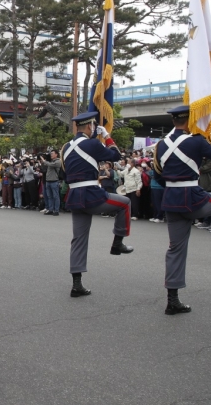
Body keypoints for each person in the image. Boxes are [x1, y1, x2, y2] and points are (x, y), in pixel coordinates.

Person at [153, 105, 211, 315]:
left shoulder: (161, 145)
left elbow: (157, 176)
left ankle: (172, 300)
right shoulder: (197, 140)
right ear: (191, 121)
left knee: (175, 249)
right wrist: (208, 130)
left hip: (171, 200)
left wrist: (173, 189)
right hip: (192, 198)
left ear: (174, 121)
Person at [61, 111, 134, 298]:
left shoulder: (65, 147)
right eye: (93, 126)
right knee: (124, 203)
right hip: (91, 194)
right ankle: (118, 243)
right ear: (89, 127)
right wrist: (107, 136)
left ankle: (76, 284)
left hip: (75, 195)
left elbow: (64, 173)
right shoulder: (93, 143)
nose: (94, 129)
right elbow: (116, 156)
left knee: (78, 239)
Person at [42, 150, 62, 216]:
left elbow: (50, 164)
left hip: (54, 181)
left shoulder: (58, 161)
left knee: (55, 196)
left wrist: (44, 161)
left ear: (56, 154)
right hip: (48, 181)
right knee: (49, 196)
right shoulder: (51, 161)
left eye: (52, 153)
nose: (51, 155)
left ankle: (56, 210)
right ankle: (50, 209)